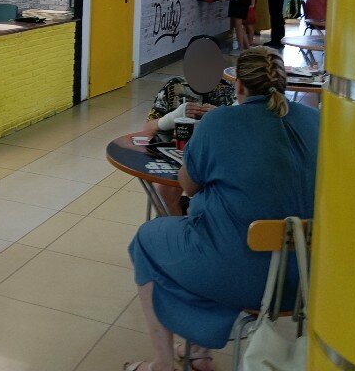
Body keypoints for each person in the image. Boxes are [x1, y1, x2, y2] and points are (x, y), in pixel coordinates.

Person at [124, 47, 320, 371]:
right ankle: (198, 351)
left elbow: (188, 186)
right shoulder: (316, 120)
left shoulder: (220, 121)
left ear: (238, 85)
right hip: (306, 278)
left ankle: (163, 363)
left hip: (241, 273)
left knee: (150, 239)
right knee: (219, 233)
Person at [140, 36, 235, 215]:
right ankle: (179, 226)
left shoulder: (229, 90)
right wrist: (173, 117)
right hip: (178, 154)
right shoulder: (174, 87)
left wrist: (220, 117)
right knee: (162, 194)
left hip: (216, 158)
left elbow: (239, 134)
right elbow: (148, 128)